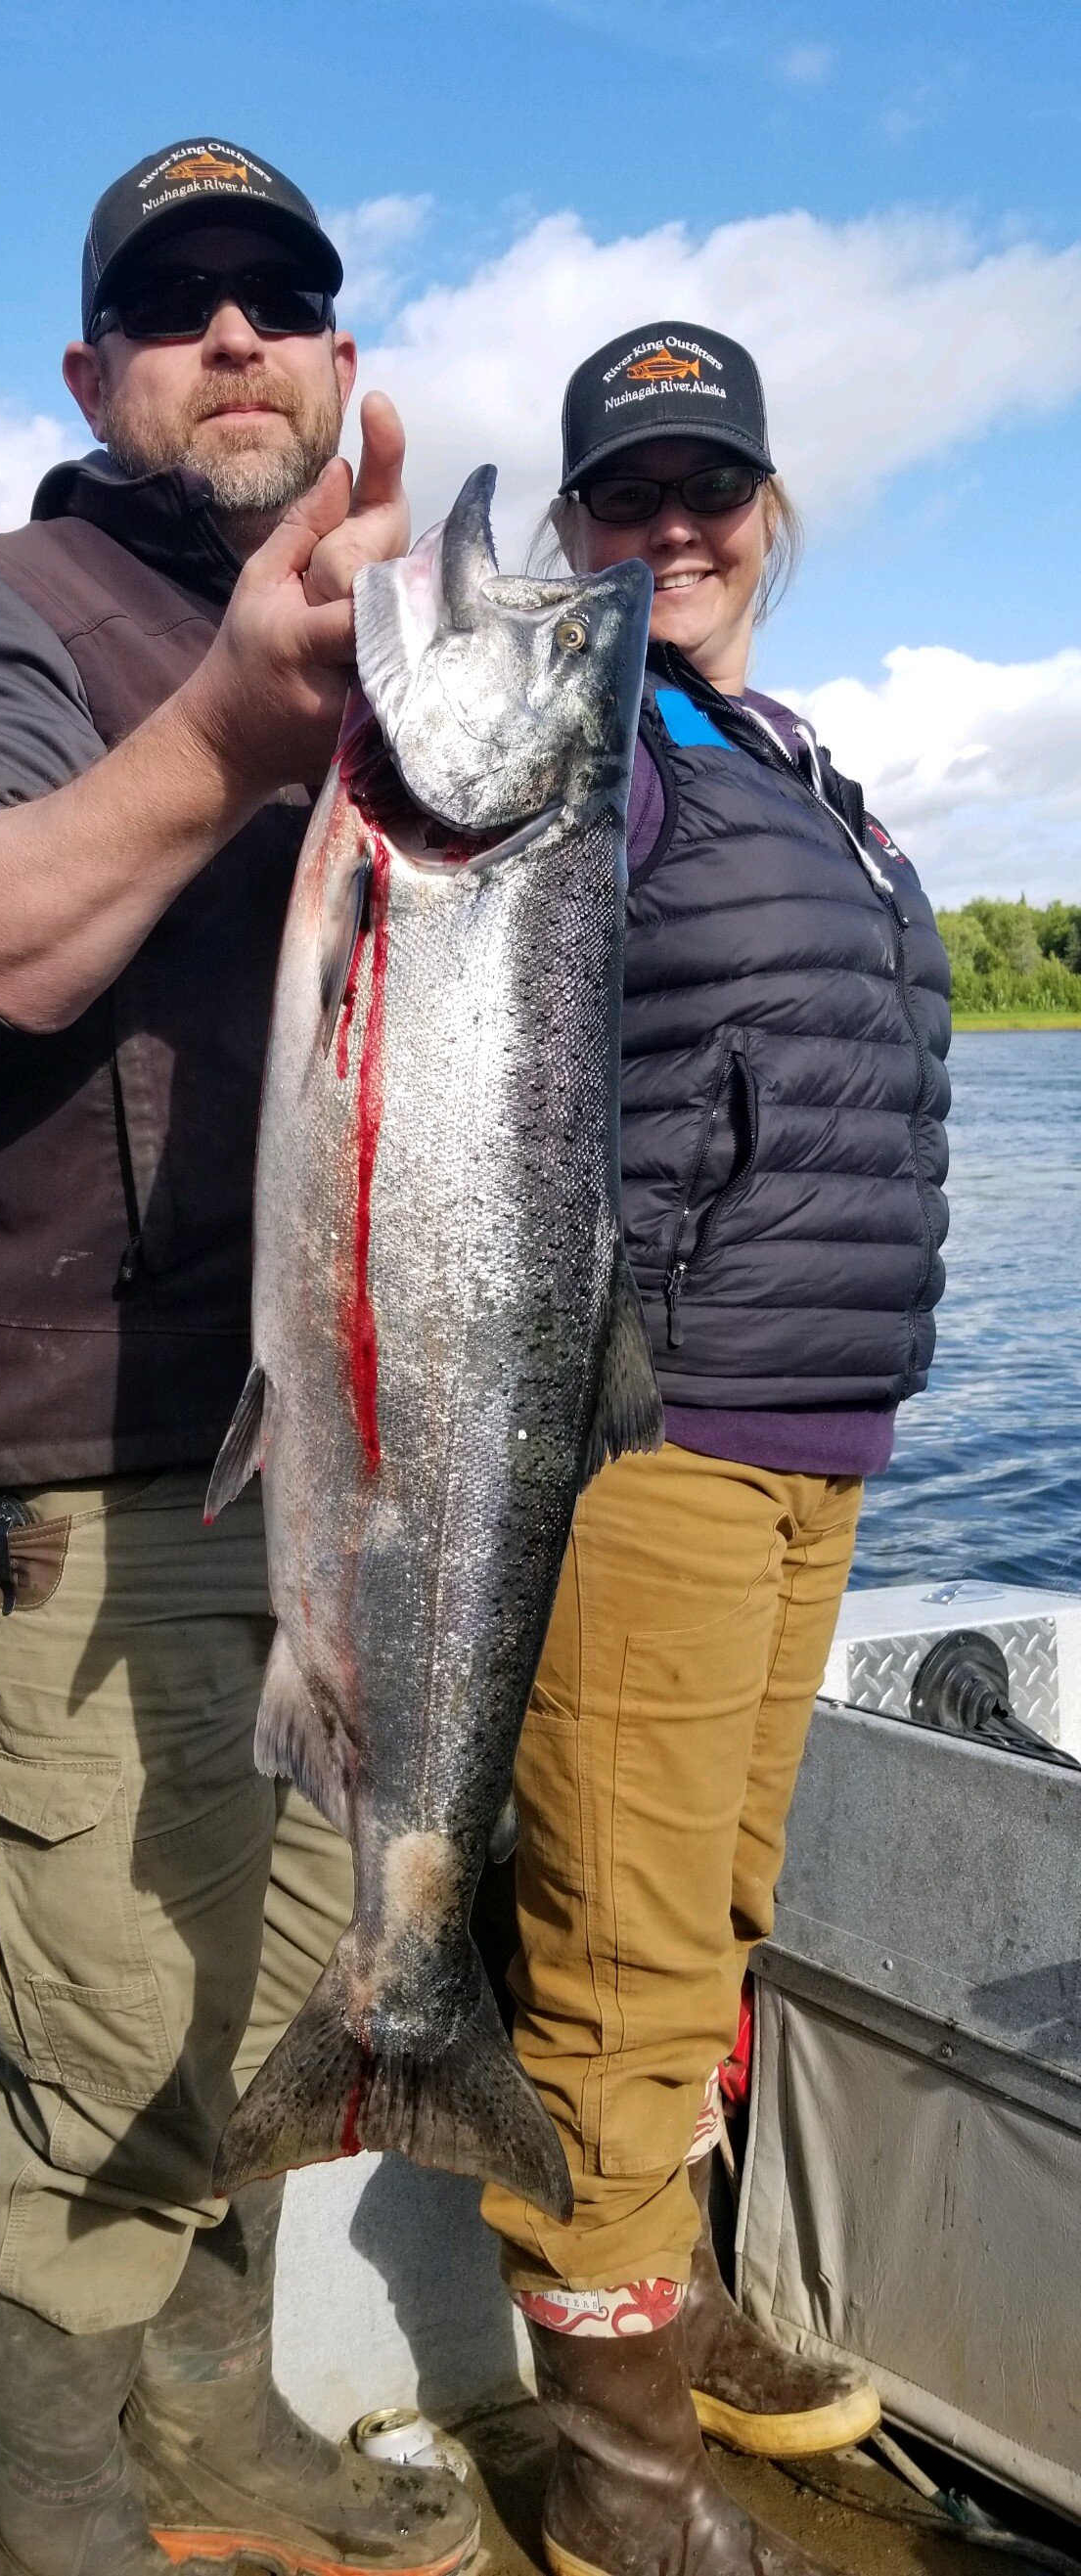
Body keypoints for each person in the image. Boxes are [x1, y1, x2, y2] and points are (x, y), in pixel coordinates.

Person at [0, 140, 477, 2576]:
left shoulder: (414, 650)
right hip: (79, 1491)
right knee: (106, 2066)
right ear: (92, 371)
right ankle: (66, 2531)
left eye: (276, 296)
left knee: (277, 2007)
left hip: (371, 1489)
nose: (231, 333)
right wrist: (233, 715)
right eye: (173, 303)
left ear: (335, 353)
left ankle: (213, 2438)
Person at [480, 322, 951, 2576]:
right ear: (573, 533)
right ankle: (617, 2486)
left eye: (706, 491)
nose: (669, 530)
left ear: (767, 511)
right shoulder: (590, 755)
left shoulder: (793, 761)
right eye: (622, 498)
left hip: (818, 1435)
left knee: (715, 1928)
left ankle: (676, 2301)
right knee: (615, 1969)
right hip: (657, 1452)